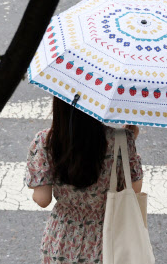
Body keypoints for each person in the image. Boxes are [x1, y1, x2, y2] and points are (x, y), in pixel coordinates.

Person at [25, 96, 143, 263]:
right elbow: (135, 189)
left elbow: (42, 199)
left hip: (62, 239)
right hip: (106, 237)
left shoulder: (46, 141)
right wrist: (128, 142)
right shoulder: (121, 140)